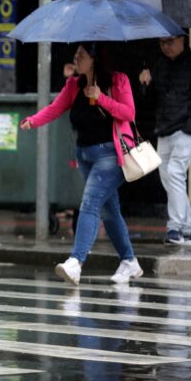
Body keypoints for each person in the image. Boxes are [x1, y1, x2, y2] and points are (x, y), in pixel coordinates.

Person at [20, 42, 143, 286]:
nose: (76, 59)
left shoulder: (118, 81)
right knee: (108, 210)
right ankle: (129, 262)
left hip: (110, 155)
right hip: (85, 155)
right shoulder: (74, 85)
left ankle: (76, 262)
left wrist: (101, 98)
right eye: (76, 54)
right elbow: (56, 108)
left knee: (89, 203)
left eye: (82, 55)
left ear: (94, 59)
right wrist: (33, 121)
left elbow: (129, 113)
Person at [139, 35, 191, 246]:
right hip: (165, 129)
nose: (165, 46)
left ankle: (175, 227)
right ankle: (188, 230)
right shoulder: (160, 65)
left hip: (186, 129)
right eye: (162, 42)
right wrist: (146, 85)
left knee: (174, 172)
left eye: (170, 41)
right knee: (167, 176)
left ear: (182, 39)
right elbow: (152, 100)